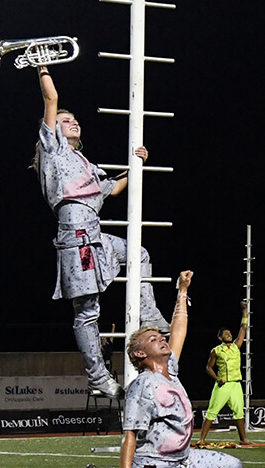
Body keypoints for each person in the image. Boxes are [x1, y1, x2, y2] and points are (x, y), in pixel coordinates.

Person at [48, 271, 244, 468]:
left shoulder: (169, 371)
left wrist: (182, 292)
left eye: (159, 337)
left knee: (230, 467)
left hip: (183, 461)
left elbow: (178, 330)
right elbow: (129, 436)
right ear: (141, 354)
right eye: (153, 340)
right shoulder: (143, 385)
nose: (162, 339)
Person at [34, 65, 169, 398]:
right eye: (66, 120)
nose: (73, 122)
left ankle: (149, 311)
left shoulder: (86, 164)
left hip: (95, 231)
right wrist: (42, 65)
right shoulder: (53, 151)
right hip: (76, 234)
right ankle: (97, 376)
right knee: (87, 311)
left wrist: (137, 163)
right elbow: (51, 97)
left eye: (75, 120)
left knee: (138, 254)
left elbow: (113, 189)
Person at [198, 302, 250, 447]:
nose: (229, 334)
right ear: (220, 337)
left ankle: (243, 438)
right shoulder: (216, 351)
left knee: (239, 412)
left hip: (236, 384)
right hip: (223, 385)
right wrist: (216, 378)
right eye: (225, 334)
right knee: (212, 412)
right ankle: (201, 439)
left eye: (230, 333)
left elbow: (243, 327)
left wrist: (245, 310)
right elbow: (209, 367)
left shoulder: (236, 346)